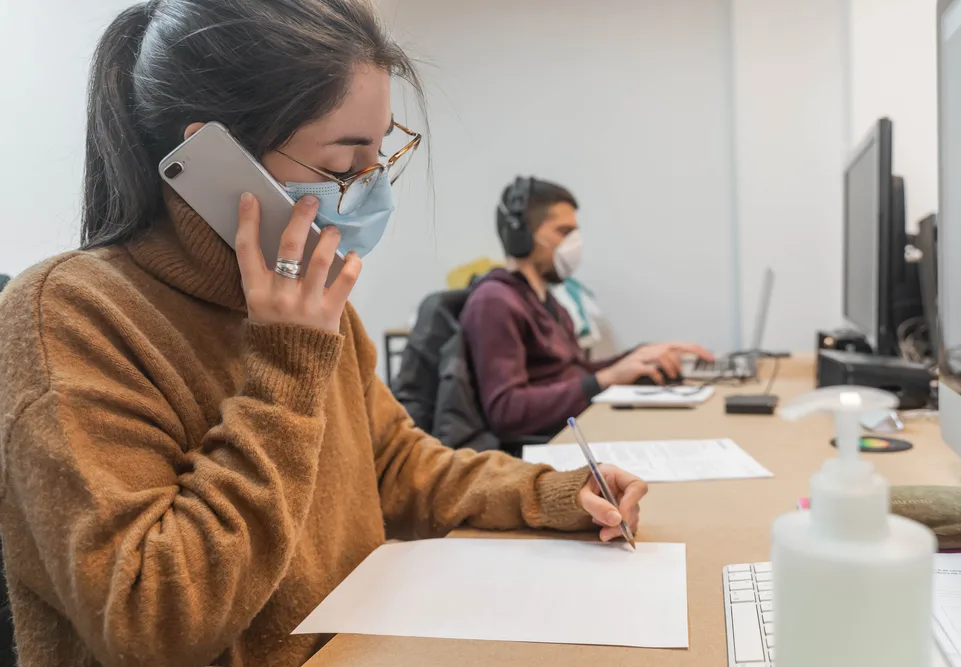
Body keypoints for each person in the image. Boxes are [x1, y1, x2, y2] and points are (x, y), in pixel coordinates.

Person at [0, 4, 648, 666]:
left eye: (378, 160)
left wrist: (552, 494)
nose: (367, 194)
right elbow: (154, 619)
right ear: (214, 160)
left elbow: (396, 465)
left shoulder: (309, 298)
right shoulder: (69, 314)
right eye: (343, 168)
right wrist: (284, 366)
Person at [461, 177, 714, 439]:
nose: (574, 243)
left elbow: (576, 373)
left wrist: (641, 355)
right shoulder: (494, 302)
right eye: (563, 232)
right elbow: (506, 412)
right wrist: (605, 379)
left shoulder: (546, 300)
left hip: (575, 429)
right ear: (521, 235)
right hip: (549, 447)